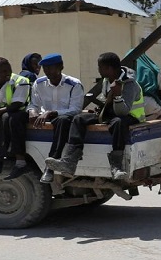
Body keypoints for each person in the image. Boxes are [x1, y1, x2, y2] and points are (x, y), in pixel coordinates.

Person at [46, 52, 144, 181]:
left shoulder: (129, 84)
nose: (98, 70)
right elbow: (108, 102)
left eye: (100, 67)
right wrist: (101, 109)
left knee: (118, 123)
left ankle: (116, 167)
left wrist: (118, 95)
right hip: (111, 114)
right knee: (79, 118)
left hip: (131, 116)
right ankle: (70, 161)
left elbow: (123, 112)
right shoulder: (106, 80)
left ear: (109, 68)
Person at [27, 53, 84, 184]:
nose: (47, 72)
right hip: (44, 119)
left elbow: (76, 109)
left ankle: (51, 166)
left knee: (62, 120)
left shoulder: (74, 84)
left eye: (51, 68)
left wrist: (51, 112)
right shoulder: (39, 83)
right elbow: (33, 103)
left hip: (65, 120)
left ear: (61, 67)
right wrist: (32, 111)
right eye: (45, 68)